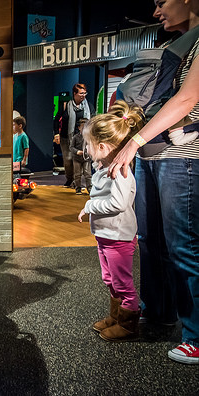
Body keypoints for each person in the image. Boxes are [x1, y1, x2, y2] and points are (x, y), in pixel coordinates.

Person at [108, 0, 199, 363]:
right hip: (151, 154)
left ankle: (195, 334)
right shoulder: (173, 47)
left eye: (163, 1)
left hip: (182, 158)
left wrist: (134, 141)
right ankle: (159, 311)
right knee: (150, 241)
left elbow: (188, 97)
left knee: (184, 246)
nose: (157, 9)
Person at [78, 100, 145, 342]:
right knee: (110, 279)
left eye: (89, 144)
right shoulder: (106, 167)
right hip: (106, 237)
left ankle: (128, 325)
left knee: (123, 282)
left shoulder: (122, 172)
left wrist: (89, 206)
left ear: (104, 147)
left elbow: (117, 204)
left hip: (118, 238)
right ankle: (116, 316)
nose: (87, 148)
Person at [54, 83, 95, 188]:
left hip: (83, 138)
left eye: (85, 93)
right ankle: (69, 179)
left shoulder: (88, 106)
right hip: (66, 137)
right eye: (81, 93)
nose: (83, 95)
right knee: (68, 160)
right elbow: (56, 120)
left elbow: (93, 120)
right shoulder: (66, 105)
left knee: (80, 159)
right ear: (75, 93)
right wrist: (56, 134)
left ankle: (77, 182)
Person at [69, 118, 92, 194]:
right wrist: (77, 151)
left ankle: (89, 188)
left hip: (86, 158)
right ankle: (78, 188)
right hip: (77, 158)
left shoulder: (89, 137)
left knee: (87, 174)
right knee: (77, 174)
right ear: (79, 128)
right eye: (82, 127)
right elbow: (71, 147)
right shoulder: (75, 137)